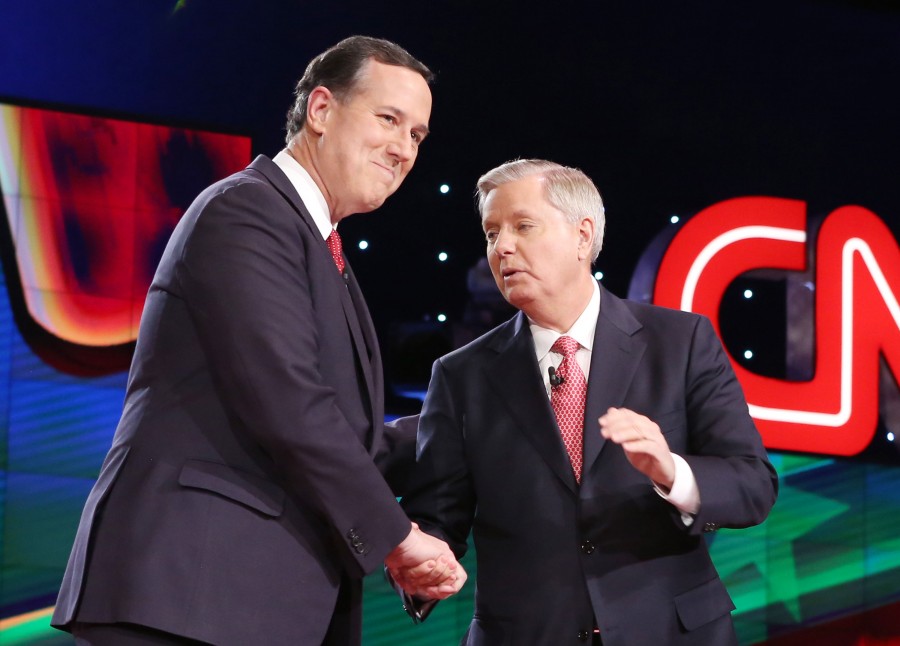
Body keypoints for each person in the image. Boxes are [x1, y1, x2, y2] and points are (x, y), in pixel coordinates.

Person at [51, 35, 464, 646]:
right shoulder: (246, 213)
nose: (404, 148)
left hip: (248, 603)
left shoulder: (320, 248)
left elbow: (347, 436)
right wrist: (399, 540)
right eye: (389, 120)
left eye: (418, 136)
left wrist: (459, 421)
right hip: (187, 593)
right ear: (320, 110)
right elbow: (291, 406)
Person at [397, 159, 778, 645]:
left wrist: (671, 471)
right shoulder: (460, 375)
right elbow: (436, 518)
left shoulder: (680, 342)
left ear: (583, 236)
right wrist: (420, 565)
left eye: (523, 226)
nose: (502, 247)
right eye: (492, 233)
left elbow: (752, 484)